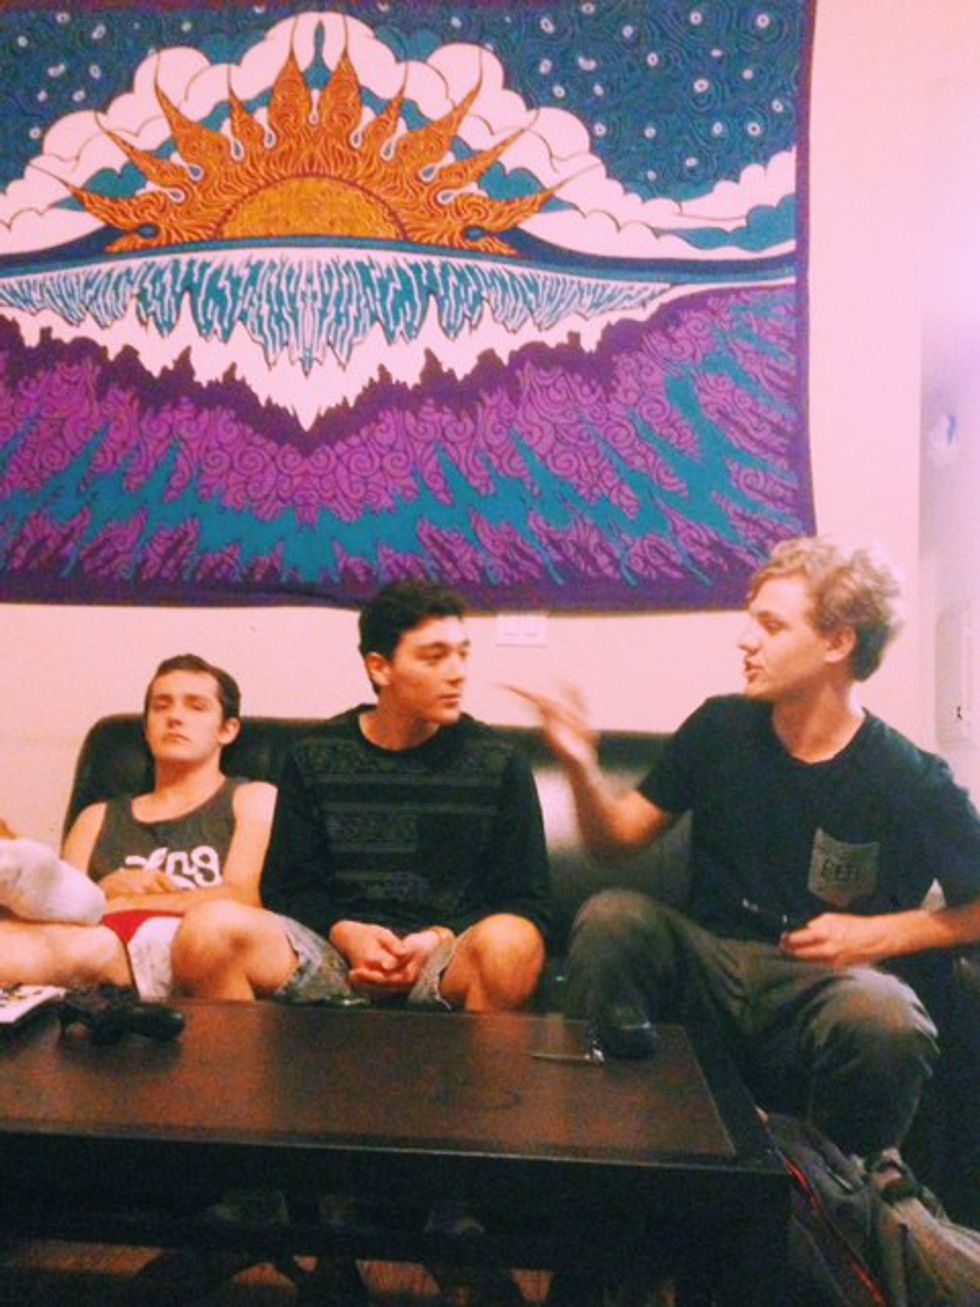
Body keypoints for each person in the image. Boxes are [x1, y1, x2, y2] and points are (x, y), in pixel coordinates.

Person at [515, 536, 980, 1171]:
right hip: (713, 962)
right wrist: (581, 768)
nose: (745, 640)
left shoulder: (908, 775)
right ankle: (606, 1163)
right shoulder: (719, 727)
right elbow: (613, 840)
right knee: (612, 916)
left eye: (770, 625)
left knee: (886, 1017)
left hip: (822, 984)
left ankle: (834, 1196)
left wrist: (882, 934)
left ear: (838, 642)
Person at [172, 580, 551, 1014]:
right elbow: (286, 889)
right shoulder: (314, 756)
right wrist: (345, 932)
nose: (457, 672)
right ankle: (246, 1062)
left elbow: (527, 902)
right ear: (379, 667)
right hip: (335, 949)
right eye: (434, 657)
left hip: (445, 954)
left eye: (462, 654)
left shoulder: (500, 761)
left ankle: (481, 1066)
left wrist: (436, 938)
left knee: (512, 942)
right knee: (206, 930)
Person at [0, 654, 276, 999]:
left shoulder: (251, 798)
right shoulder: (96, 817)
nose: (175, 717)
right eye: (161, 706)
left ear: (227, 729)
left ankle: (15, 864)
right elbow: (60, 913)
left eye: (196, 706)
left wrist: (122, 901)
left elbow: (243, 896)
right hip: (95, 940)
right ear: (146, 729)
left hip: (183, 945)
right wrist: (106, 887)